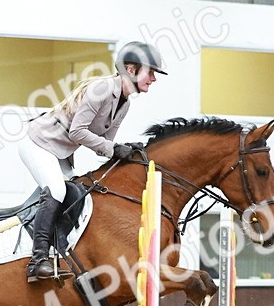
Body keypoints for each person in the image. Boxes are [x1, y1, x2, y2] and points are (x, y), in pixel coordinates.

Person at [19, 40, 165, 282]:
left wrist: (125, 149)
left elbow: (104, 145)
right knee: (57, 191)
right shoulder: (102, 89)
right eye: (150, 72)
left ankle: (60, 253)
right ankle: (37, 262)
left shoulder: (124, 103)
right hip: (38, 144)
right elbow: (78, 132)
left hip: (60, 152)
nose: (153, 79)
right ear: (131, 69)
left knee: (76, 196)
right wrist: (113, 148)